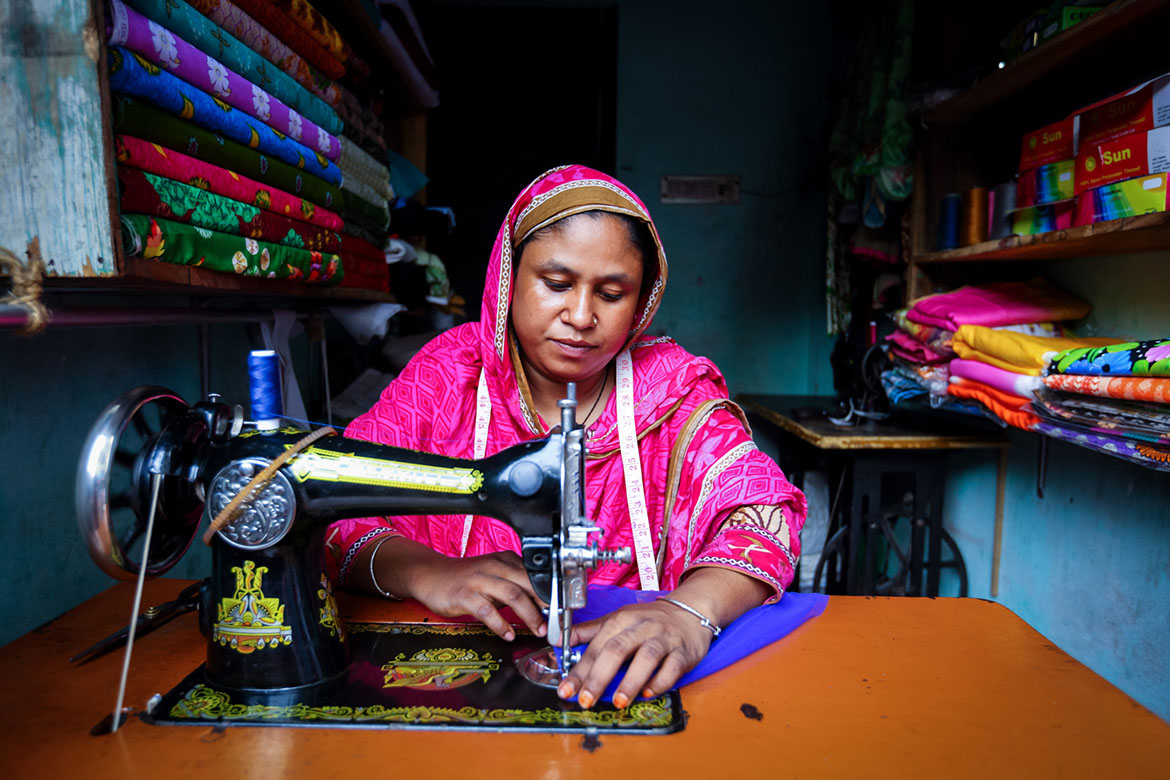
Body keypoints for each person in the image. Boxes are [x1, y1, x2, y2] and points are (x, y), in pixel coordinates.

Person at [325, 165, 806, 710]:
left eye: (612, 293)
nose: (581, 316)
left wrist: (690, 611)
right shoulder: (447, 376)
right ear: (508, 275)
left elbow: (762, 517)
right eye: (556, 284)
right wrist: (425, 571)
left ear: (642, 299)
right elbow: (339, 510)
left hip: (631, 670)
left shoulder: (674, 392)